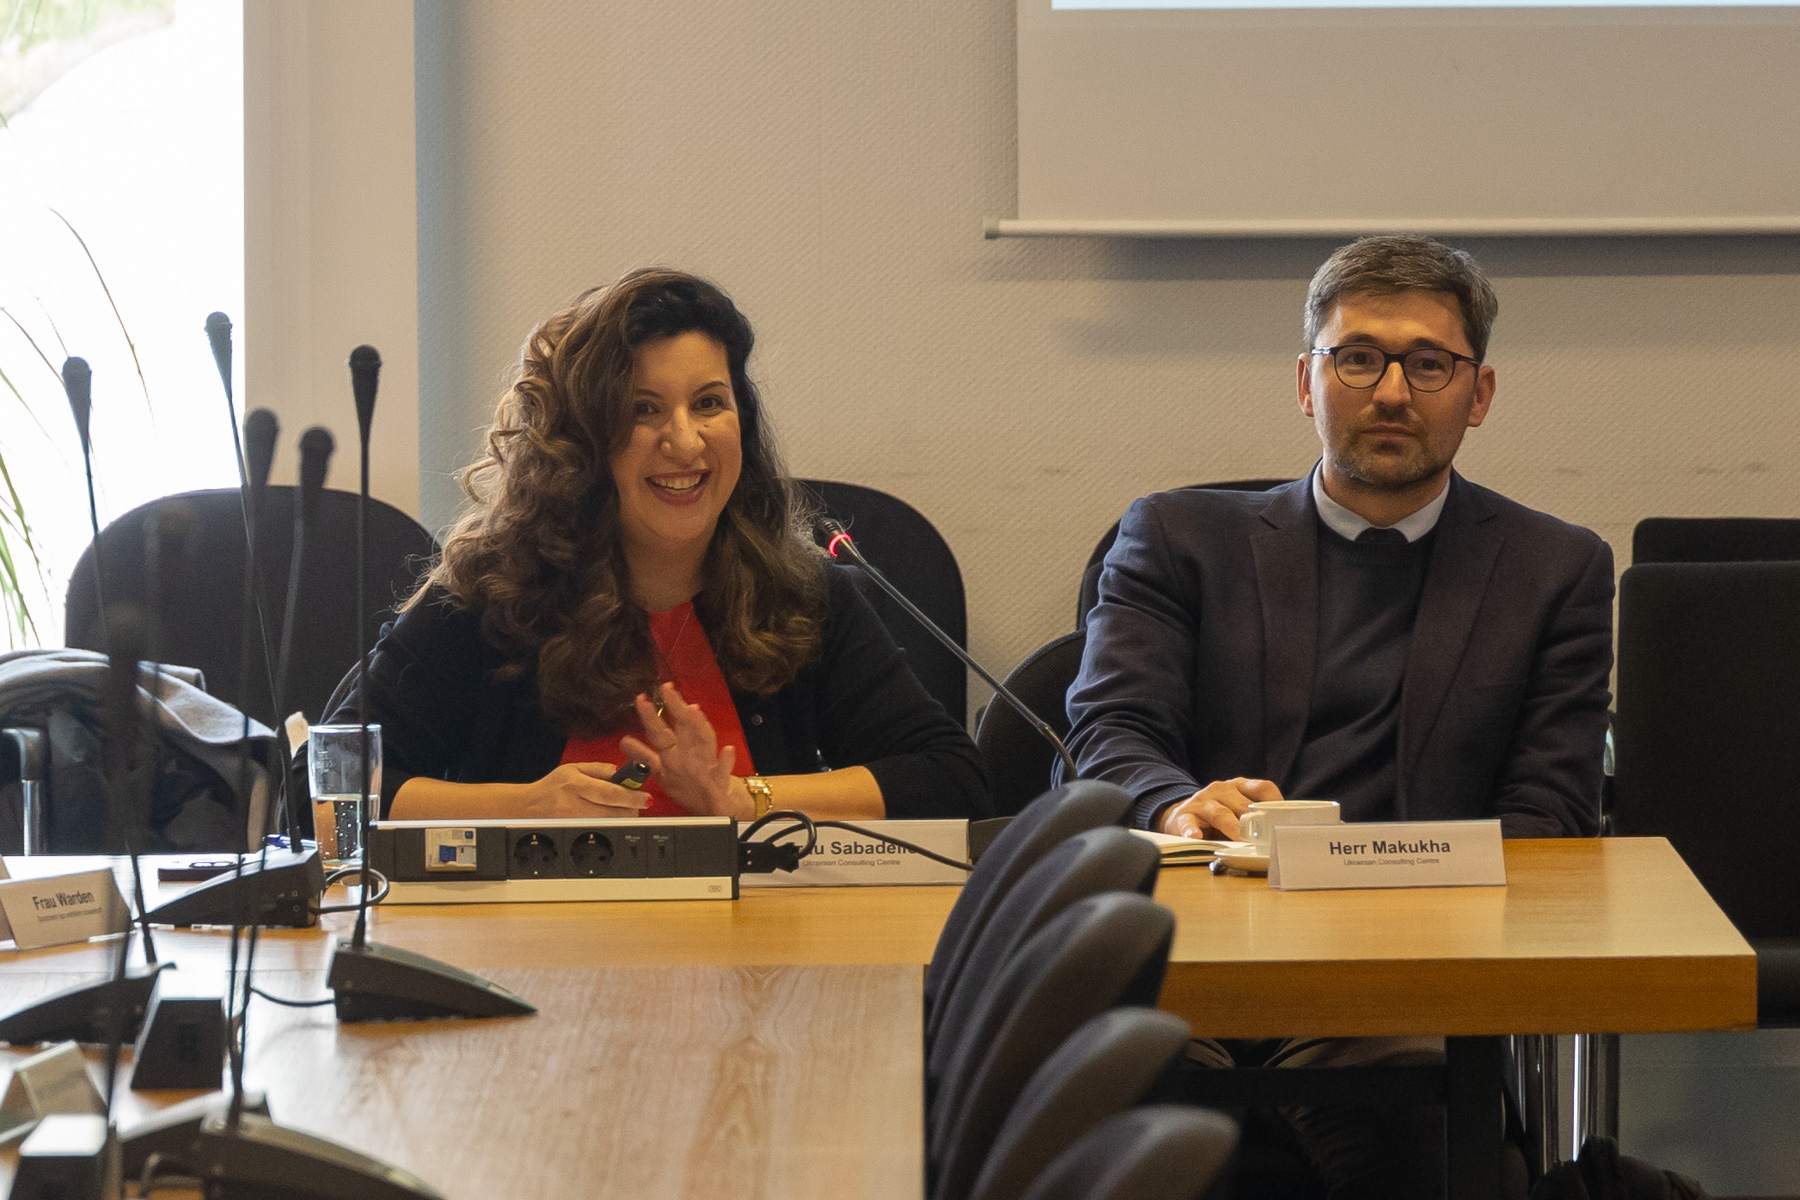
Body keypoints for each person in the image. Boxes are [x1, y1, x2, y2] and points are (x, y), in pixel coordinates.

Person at [1065, 235, 1613, 1199]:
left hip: (1402, 978)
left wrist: (1391, 903)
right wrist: (1177, 805)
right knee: (1104, 1126)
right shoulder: (1180, 537)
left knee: (1420, 1144)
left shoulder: (1554, 570)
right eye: (1358, 358)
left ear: (1478, 393)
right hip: (1197, 963)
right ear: (1306, 381)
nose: (1391, 392)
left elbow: (1552, 814)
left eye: (1428, 363)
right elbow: (1108, 733)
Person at [326, 268, 988, 824]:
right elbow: (326, 794)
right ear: (582, 444)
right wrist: (522, 807)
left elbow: (952, 781)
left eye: (709, 403)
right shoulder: (492, 597)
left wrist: (742, 799)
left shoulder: (803, 599)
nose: (686, 441)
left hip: (758, 940)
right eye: (643, 409)